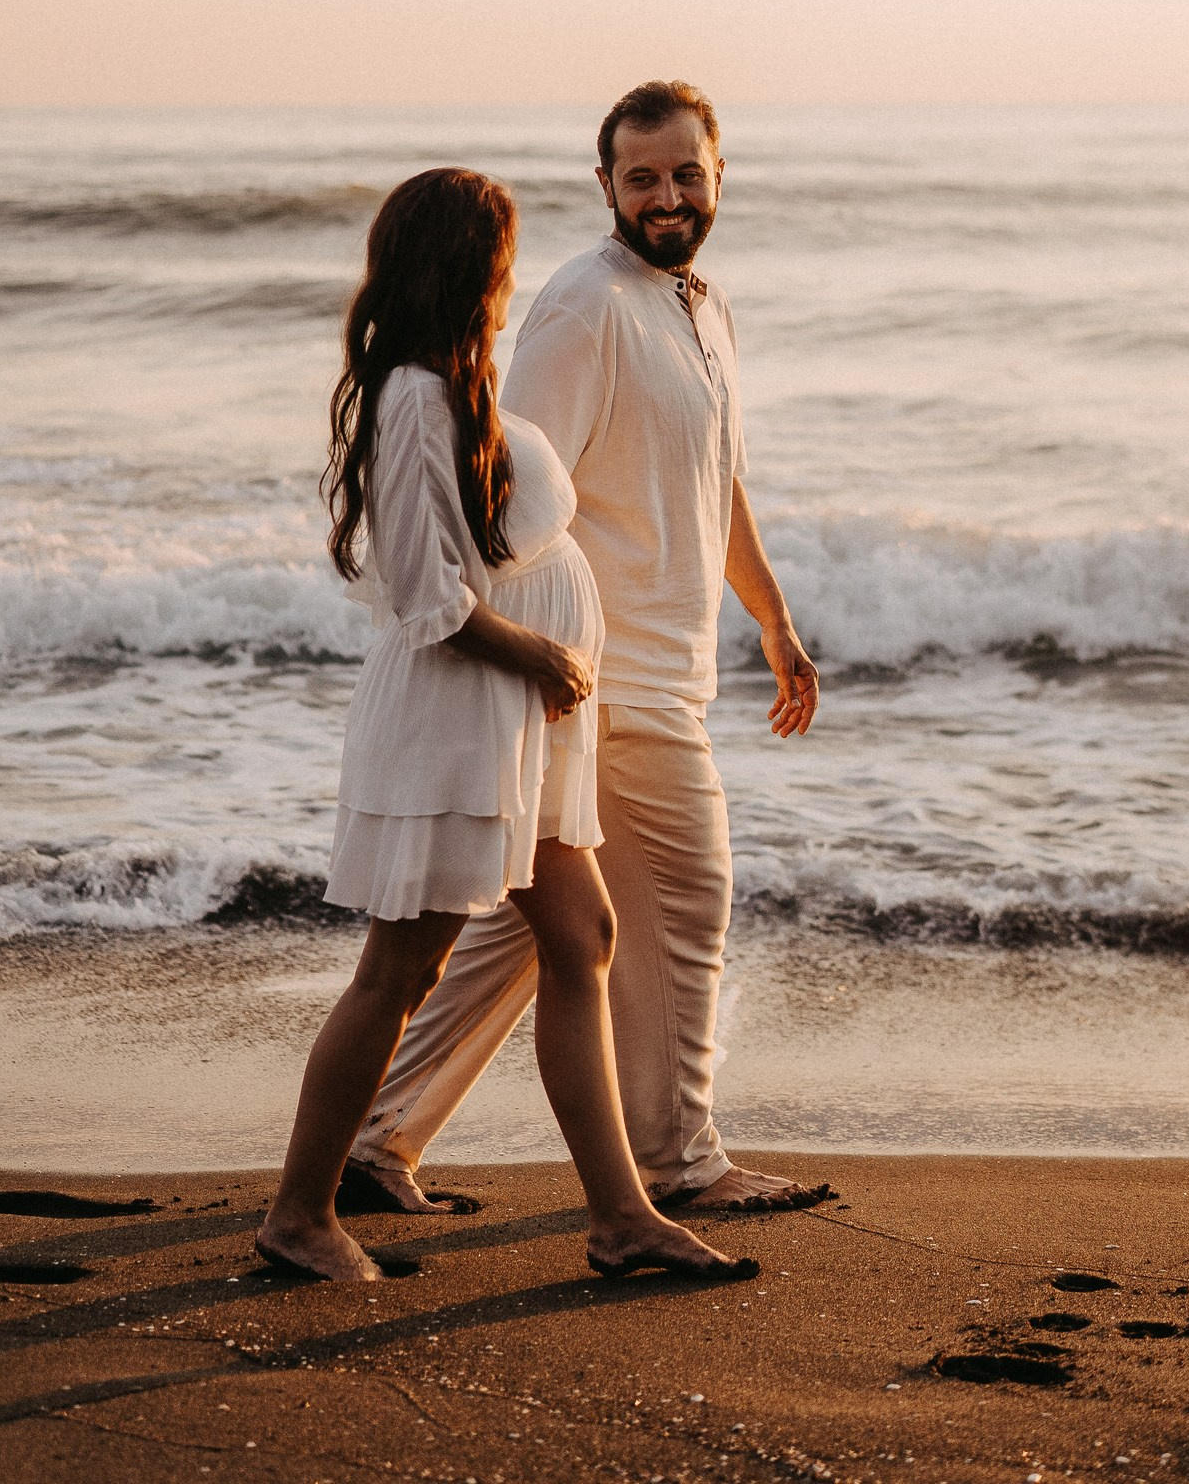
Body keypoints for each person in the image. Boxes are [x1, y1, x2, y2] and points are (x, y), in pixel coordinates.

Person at [256, 165, 754, 1287]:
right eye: (499, 255)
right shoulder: (412, 400)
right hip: (460, 714)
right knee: (397, 970)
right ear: (463, 265)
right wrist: (537, 653)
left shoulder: (458, 384)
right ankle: (297, 1214)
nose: (511, 276)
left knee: (579, 937)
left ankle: (620, 1217)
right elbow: (425, 593)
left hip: (516, 720)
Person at [343, 84, 830, 1222]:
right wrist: (520, 659)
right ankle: (678, 1162)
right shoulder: (582, 308)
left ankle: (378, 1139)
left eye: (685, 175)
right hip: (599, 675)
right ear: (603, 182)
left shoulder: (698, 307)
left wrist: (770, 615)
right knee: (682, 903)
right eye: (641, 177)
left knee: (541, 936)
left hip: (666, 663)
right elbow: (504, 489)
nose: (666, 195)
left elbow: (722, 483)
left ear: (719, 177)